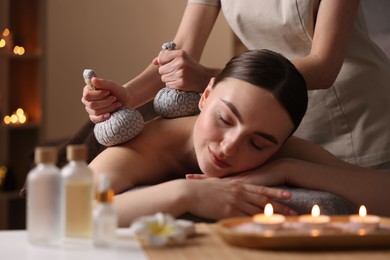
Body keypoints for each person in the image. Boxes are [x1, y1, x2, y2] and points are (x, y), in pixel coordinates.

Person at [88, 50, 390, 227]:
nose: (230, 146)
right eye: (225, 119)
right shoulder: (147, 148)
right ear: (206, 95)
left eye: (257, 144)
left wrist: (288, 169)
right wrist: (186, 194)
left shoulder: (278, 150)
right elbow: (69, 210)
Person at [82, 0, 390, 172]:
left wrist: (216, 81)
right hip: (273, 121)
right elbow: (183, 47)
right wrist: (129, 94)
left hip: (356, 116)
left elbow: (323, 66)